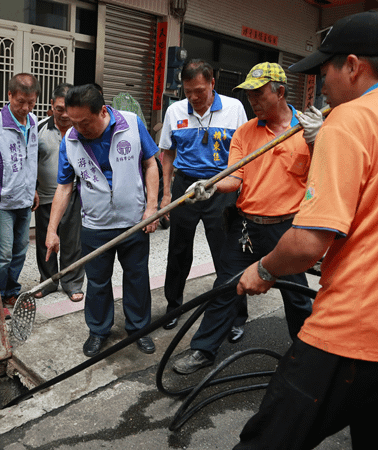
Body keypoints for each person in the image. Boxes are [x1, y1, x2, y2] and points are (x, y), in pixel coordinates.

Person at [233, 11, 378, 449]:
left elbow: (309, 242)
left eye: (324, 70)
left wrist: (263, 270)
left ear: (352, 65)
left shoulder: (348, 120)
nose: (320, 85)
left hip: (353, 323)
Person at [172, 62, 321, 375]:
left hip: (287, 229)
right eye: (249, 95)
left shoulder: (305, 131)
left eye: (259, 93)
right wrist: (211, 185)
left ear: (280, 92)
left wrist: (317, 141)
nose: (253, 101)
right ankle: (203, 349)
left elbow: (325, 176)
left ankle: (308, 355)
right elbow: (235, 178)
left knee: (297, 297)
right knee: (225, 287)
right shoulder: (244, 132)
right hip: (245, 227)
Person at [45, 84, 159, 357]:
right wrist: (52, 230)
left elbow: (150, 163)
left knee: (137, 277)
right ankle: (98, 330)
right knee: (97, 282)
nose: (78, 128)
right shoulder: (70, 140)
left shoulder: (130, 124)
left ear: (103, 111)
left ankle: (139, 328)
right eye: (73, 122)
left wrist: (152, 206)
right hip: (95, 225)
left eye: (84, 122)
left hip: (134, 221)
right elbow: (64, 187)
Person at [159, 59, 248, 332]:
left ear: (212, 83)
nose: (194, 97)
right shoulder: (175, 111)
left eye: (200, 90)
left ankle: (234, 316)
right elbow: (167, 154)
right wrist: (165, 195)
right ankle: (174, 307)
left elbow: (244, 153)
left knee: (227, 254)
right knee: (178, 251)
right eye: (188, 92)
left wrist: (241, 189)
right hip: (185, 187)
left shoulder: (234, 108)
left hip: (221, 187)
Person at [0, 73, 40, 307]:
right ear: (10, 95)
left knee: (20, 251)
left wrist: (33, 189)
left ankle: (12, 292)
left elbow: (30, 160)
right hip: (1, 202)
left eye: (31, 102)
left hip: (24, 200)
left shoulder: (33, 122)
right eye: (20, 101)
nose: (25, 107)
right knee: (3, 254)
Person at [34, 83, 85, 301]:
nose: (64, 114)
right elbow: (29, 161)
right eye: (59, 109)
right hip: (45, 195)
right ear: (51, 106)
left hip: (73, 194)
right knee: (45, 240)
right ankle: (48, 282)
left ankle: (72, 282)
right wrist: (32, 188)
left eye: (67, 109)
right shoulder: (39, 129)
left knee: (72, 241)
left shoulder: (82, 129)